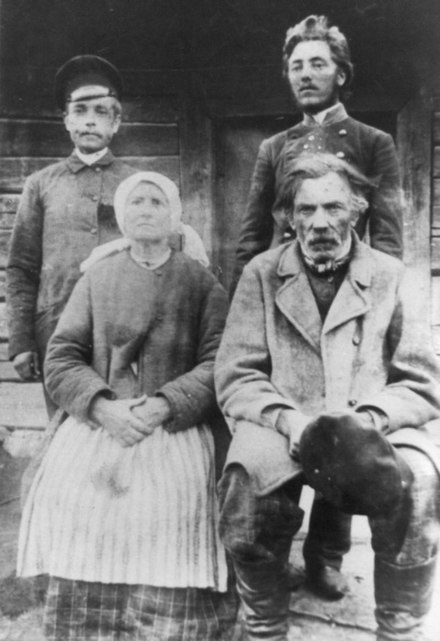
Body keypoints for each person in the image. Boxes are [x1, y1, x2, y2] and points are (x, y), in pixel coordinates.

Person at [215, 153, 440, 641]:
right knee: (245, 485)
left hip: (373, 419)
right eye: (306, 210)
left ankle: (400, 629)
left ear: (358, 210)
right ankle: (265, 624)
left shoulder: (392, 275)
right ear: (290, 218)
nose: (320, 223)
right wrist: (288, 421)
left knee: (420, 482)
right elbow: (237, 374)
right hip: (285, 418)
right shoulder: (261, 272)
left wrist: (371, 421)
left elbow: (421, 380)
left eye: (333, 208)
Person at [17, 171, 238, 641]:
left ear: (174, 215)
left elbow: (219, 362)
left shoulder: (201, 283)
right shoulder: (96, 277)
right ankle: (89, 625)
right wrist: (101, 408)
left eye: (156, 202)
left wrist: (164, 404)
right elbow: (62, 357)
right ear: (121, 215)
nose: (144, 210)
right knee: (72, 494)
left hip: (175, 424)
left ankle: (164, 626)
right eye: (135, 201)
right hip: (101, 420)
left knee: (169, 502)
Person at [232, 14, 404, 598]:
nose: (306, 75)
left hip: (352, 304)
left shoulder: (373, 143)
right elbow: (254, 235)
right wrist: (248, 301)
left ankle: (327, 552)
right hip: (288, 301)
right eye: (297, 66)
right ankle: (271, 549)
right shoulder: (274, 147)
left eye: (318, 64)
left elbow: (389, 237)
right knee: (280, 430)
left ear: (341, 73)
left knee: (345, 421)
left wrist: (376, 308)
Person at [6, 54, 208, 417]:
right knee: (66, 432)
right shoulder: (41, 185)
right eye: (80, 110)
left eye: (101, 112)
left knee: (118, 425)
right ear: (66, 119)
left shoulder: (137, 186)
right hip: (55, 328)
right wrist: (21, 342)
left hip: (120, 332)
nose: (89, 120)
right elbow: (21, 267)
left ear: (116, 123)